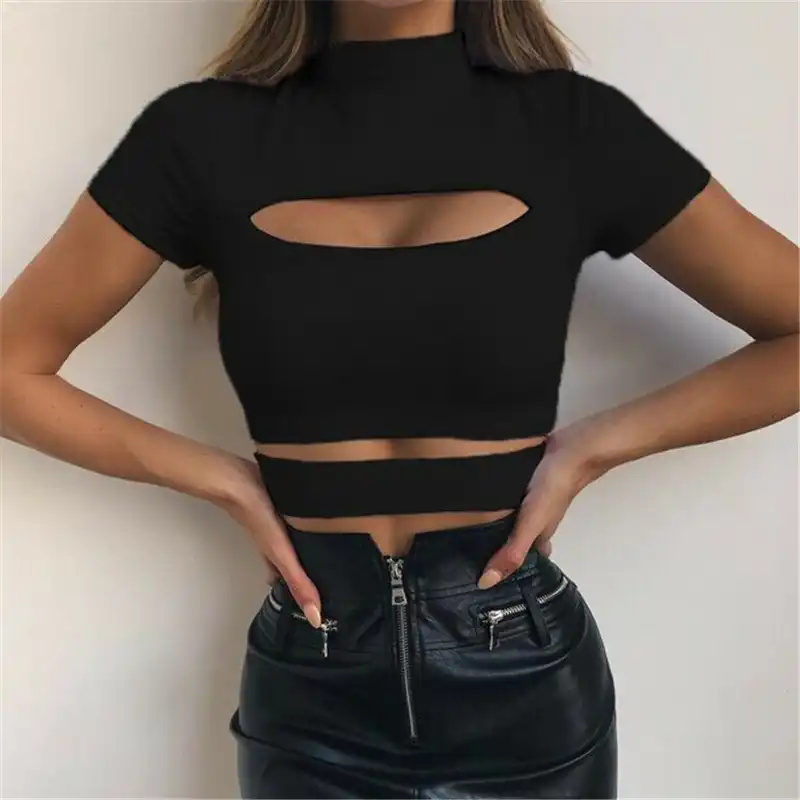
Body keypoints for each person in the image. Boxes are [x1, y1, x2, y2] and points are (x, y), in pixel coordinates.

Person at [1, 0, 797, 797]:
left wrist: (593, 449)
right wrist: (224, 481)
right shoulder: (198, 138)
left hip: (522, 678)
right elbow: (11, 370)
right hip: (312, 681)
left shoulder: (573, 128)